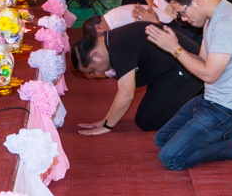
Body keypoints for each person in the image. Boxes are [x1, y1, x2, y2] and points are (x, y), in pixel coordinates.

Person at [144, 0, 232, 169]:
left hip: (230, 111)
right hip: (211, 101)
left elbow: (209, 75)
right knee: (162, 139)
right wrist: (174, 46)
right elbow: (203, 61)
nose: (183, 19)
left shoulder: (226, 23)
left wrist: (175, 49)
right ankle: (215, 138)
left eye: (182, 13)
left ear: (197, 1)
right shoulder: (213, 18)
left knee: (170, 158)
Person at [71, 21, 202, 133]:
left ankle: (204, 110)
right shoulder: (113, 40)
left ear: (95, 55)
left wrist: (107, 125)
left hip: (189, 70)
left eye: (92, 70)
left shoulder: (119, 47)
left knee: (148, 120)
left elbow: (126, 94)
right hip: (169, 71)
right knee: (145, 116)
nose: (97, 73)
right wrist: (106, 119)